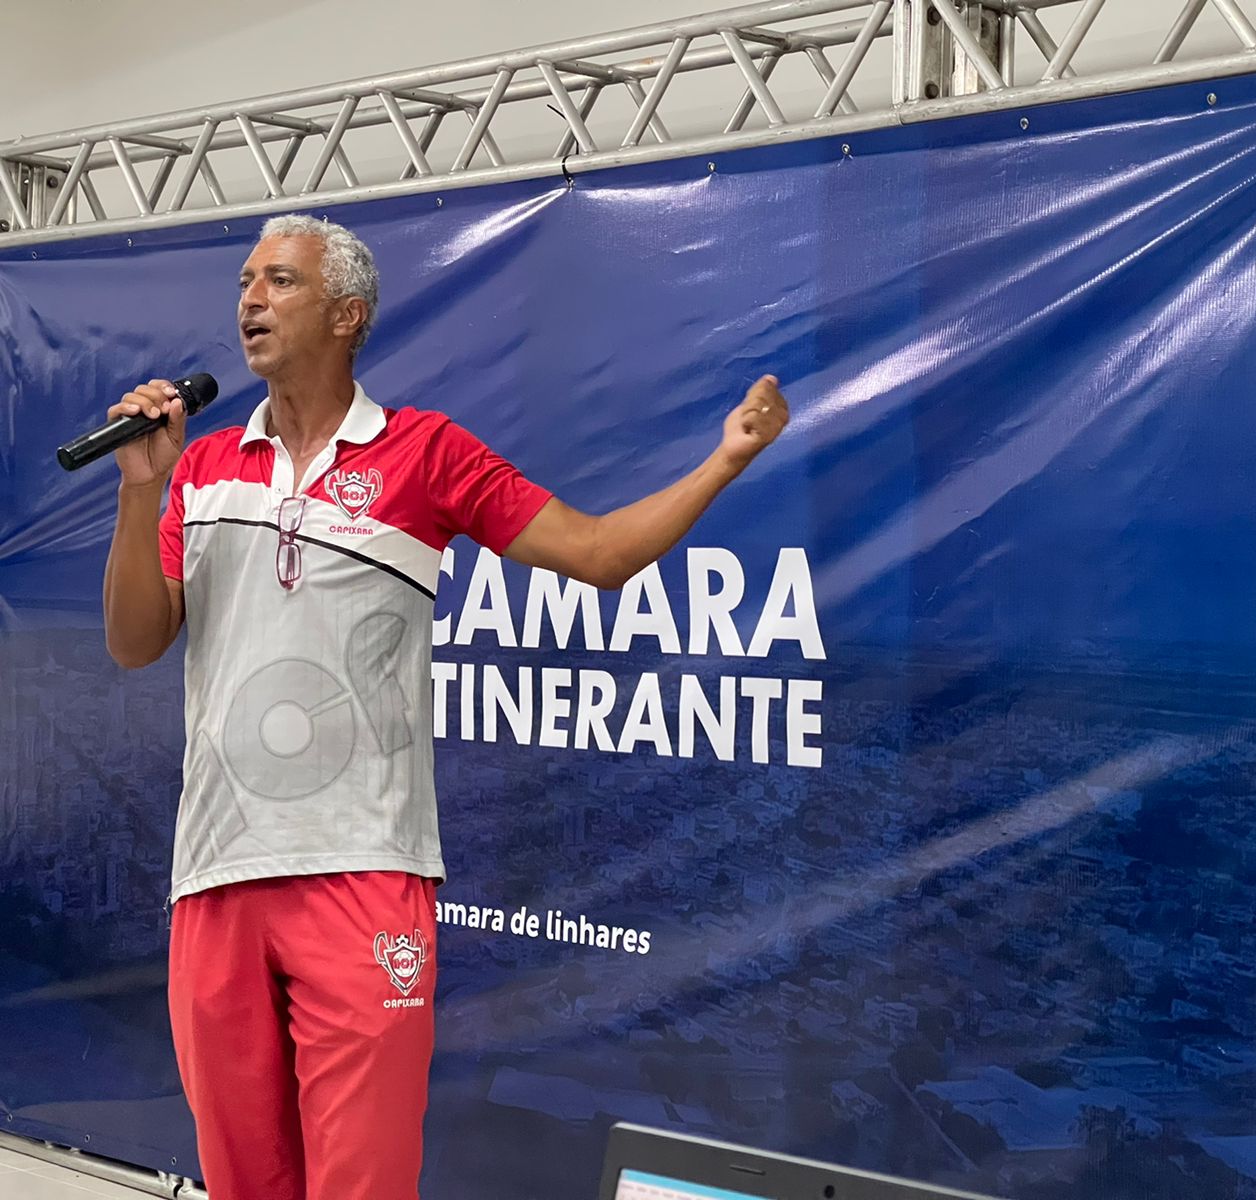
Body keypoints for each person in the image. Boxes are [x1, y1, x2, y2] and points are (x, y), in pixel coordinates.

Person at [101, 213, 789, 1200]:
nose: (250, 299)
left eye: (280, 281)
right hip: (215, 873)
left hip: (363, 875)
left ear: (347, 315)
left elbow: (598, 554)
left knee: (364, 1184)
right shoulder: (203, 469)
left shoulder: (424, 452)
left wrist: (726, 459)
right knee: (244, 1185)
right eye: (246, 280)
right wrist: (142, 487)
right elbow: (135, 641)